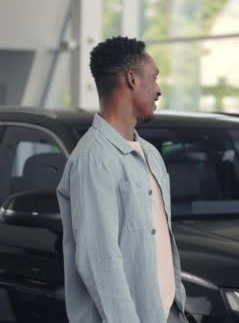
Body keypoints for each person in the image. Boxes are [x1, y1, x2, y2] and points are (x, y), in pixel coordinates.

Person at [57, 36, 188, 323]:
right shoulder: (93, 160)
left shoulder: (151, 154)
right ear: (131, 79)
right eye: (153, 78)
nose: (158, 89)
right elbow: (99, 260)